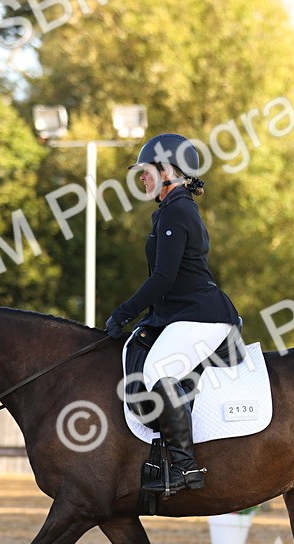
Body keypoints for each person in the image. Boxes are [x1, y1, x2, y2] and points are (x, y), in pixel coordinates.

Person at [105, 133, 242, 495]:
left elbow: (163, 278)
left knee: (158, 372)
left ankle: (184, 467)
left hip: (202, 317)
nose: (141, 178)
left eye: (146, 171)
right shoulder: (169, 209)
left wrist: (124, 312)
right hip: (183, 315)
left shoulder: (179, 209)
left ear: (168, 170)